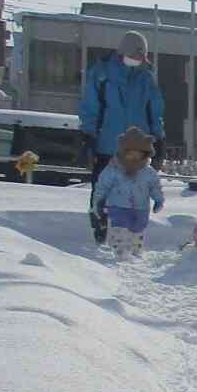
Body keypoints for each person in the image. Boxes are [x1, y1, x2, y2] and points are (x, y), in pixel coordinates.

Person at [79, 31, 165, 244]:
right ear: (122, 53)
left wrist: (159, 138)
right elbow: (91, 107)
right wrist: (87, 135)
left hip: (138, 145)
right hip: (107, 144)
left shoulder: (146, 78)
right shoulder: (101, 75)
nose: (138, 61)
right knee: (103, 186)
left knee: (136, 190)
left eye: (141, 58)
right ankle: (100, 226)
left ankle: (131, 232)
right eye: (135, 56)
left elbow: (155, 110)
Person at [91, 126, 165, 259]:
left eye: (138, 154)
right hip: (118, 206)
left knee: (138, 230)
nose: (134, 157)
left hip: (141, 208)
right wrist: (99, 201)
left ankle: (136, 251)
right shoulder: (113, 169)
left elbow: (155, 187)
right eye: (130, 153)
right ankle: (120, 252)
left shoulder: (148, 172)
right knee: (120, 230)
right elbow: (102, 186)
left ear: (145, 154)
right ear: (123, 152)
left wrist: (158, 200)